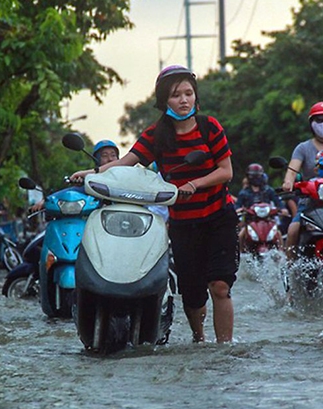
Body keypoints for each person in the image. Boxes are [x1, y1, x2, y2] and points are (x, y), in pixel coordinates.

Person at [71, 65, 238, 343]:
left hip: (218, 215)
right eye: (176, 95)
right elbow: (126, 164)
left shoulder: (210, 127)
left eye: (189, 93)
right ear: (164, 101)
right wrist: (90, 173)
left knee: (220, 286)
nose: (184, 100)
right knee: (193, 292)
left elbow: (226, 171)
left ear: (196, 97)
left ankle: (225, 348)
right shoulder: (156, 135)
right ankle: (200, 340)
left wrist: (194, 184)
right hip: (183, 223)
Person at [282, 101, 323, 260]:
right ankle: (291, 268)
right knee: (293, 230)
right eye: (320, 119)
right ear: (311, 123)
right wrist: (288, 182)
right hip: (309, 203)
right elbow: (293, 169)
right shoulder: (303, 148)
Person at [235, 163, 288, 252]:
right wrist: (239, 210)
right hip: (250, 221)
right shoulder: (244, 193)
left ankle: (281, 254)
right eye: (253, 176)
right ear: (248, 177)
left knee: (278, 233)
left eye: (258, 175)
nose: (256, 178)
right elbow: (237, 206)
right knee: (241, 235)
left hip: (268, 220)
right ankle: (240, 255)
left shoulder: (268, 190)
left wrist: (282, 209)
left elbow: (278, 202)